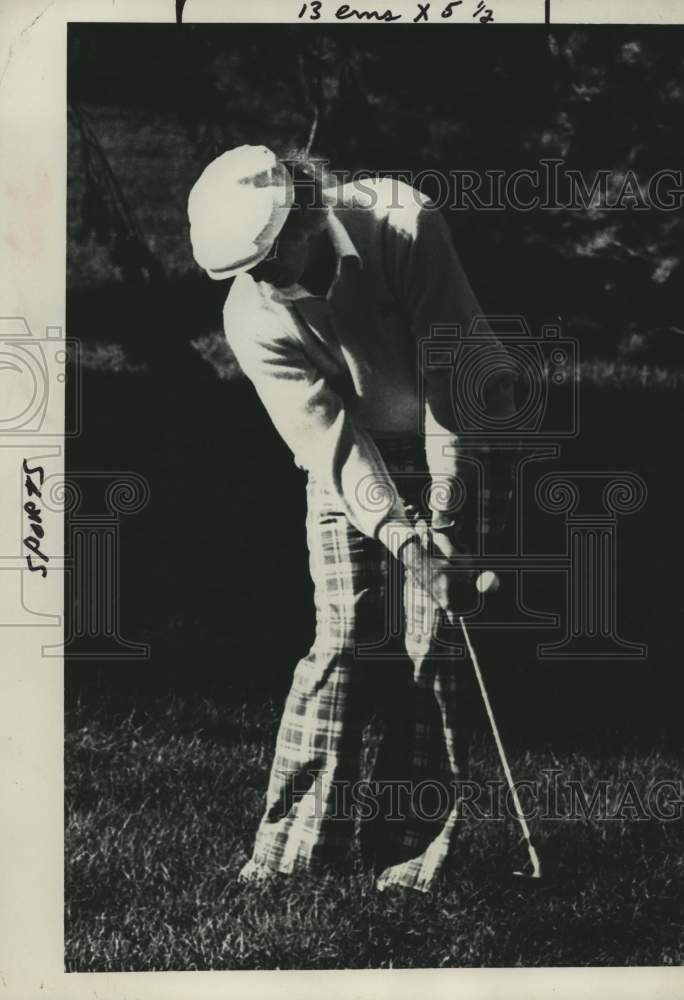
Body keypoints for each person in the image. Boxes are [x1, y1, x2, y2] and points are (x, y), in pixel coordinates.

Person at [187, 144, 515, 893]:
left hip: (448, 420)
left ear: (307, 211)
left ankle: (410, 850)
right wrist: (404, 539)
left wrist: (445, 513)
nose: (266, 279)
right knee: (344, 637)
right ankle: (294, 852)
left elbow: (451, 375)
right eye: (249, 270)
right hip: (354, 458)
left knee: (437, 643)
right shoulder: (251, 317)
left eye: (274, 257)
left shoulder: (401, 224)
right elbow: (332, 447)